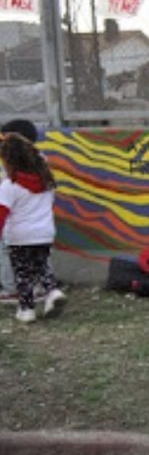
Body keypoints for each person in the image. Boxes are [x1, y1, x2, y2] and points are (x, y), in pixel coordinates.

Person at [0, 130, 67, 323]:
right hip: (44, 233)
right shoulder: (46, 181)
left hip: (19, 236)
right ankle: (52, 291)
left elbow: (1, 214)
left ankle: (26, 310)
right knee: (42, 266)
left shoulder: (8, 186)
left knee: (22, 274)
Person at [0, 119, 41, 303]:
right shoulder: (37, 161)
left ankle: (12, 289)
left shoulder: (10, 164)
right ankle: (38, 286)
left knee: (7, 250)